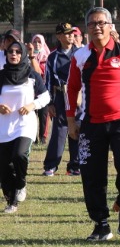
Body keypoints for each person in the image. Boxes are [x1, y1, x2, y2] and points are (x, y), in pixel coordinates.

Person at [66, 7, 120, 241]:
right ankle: (101, 224)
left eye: (102, 23)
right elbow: (71, 89)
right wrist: (71, 120)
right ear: (87, 29)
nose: (98, 27)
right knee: (91, 174)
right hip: (91, 123)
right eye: (93, 23)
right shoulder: (80, 57)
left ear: (110, 25)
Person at [0, 39, 50, 214]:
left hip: (24, 125)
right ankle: (11, 201)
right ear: (6, 55)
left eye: (17, 51)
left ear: (22, 54)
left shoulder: (31, 75)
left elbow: (45, 97)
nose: (14, 54)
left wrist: (31, 106)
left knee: (19, 155)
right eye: (10, 52)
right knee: (4, 167)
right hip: (3, 127)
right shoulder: (1, 75)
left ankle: (21, 183)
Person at [41, 22, 78, 176]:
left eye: (72, 33)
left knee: (77, 128)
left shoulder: (81, 53)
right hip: (60, 96)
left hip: (78, 96)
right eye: (67, 33)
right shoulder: (53, 57)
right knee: (59, 130)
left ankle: (75, 166)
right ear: (59, 36)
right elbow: (48, 81)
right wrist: (50, 103)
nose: (71, 36)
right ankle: (51, 165)